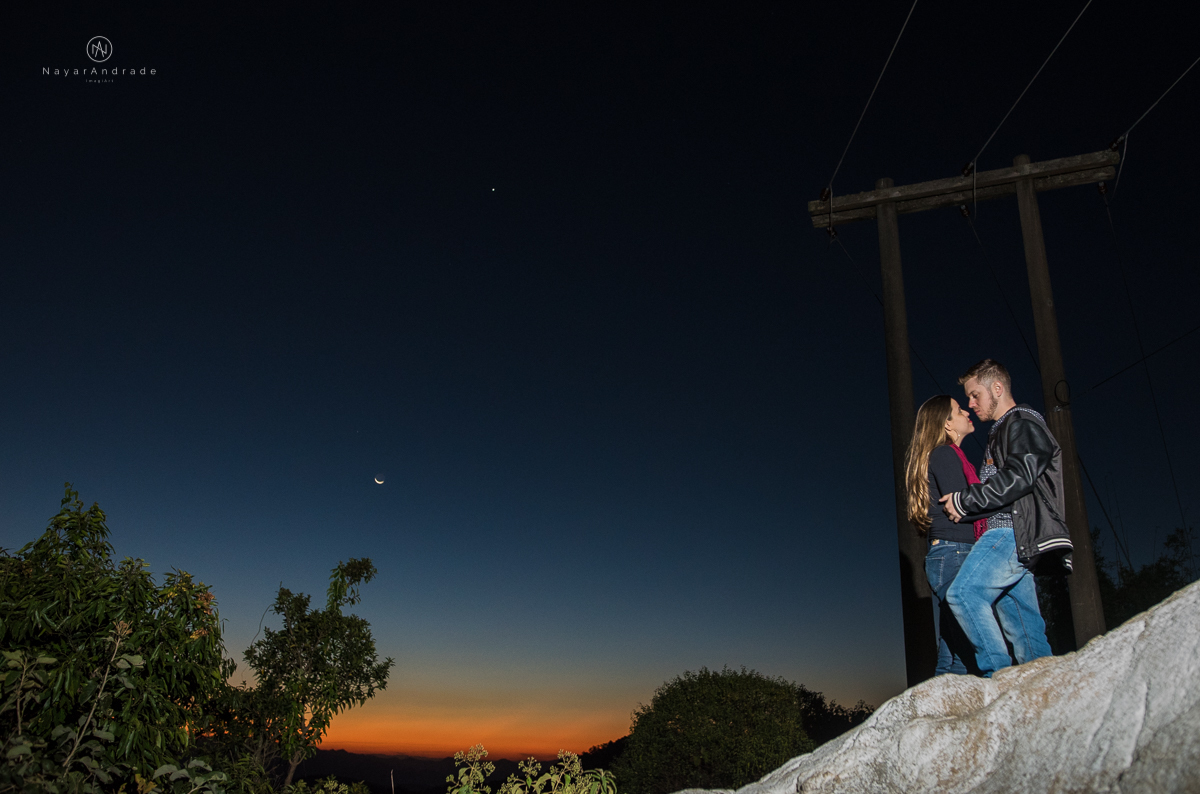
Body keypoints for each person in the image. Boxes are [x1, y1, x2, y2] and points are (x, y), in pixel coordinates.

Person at [940, 359, 1068, 676]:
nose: (971, 404)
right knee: (1025, 628)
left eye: (974, 395)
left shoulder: (1021, 421)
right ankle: (1043, 686)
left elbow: (1021, 474)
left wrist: (966, 500)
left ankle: (997, 678)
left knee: (963, 594)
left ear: (997, 388)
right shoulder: (1002, 431)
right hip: (1016, 539)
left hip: (1012, 533)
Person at [904, 395, 991, 675]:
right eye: (958, 409)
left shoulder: (947, 455)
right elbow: (962, 507)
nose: (967, 411)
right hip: (956, 553)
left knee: (952, 654)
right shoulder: (945, 453)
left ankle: (936, 715)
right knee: (969, 649)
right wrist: (1006, 503)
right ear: (947, 424)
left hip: (950, 553)